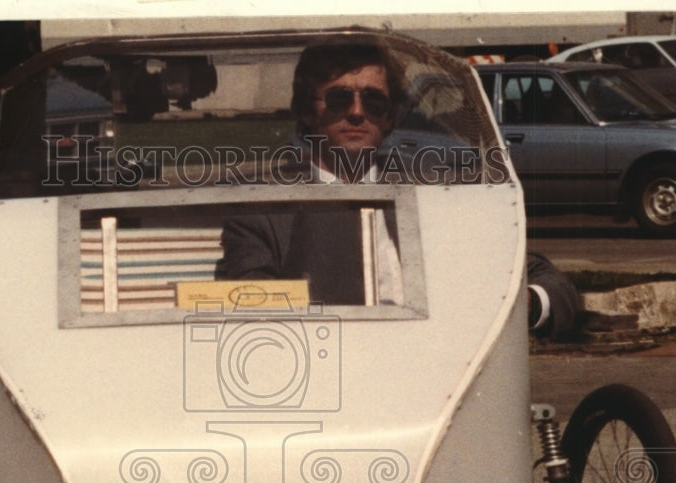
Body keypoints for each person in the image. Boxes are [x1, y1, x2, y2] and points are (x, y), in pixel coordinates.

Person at [216, 39, 579, 338]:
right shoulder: (261, 209)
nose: (357, 113)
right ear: (308, 112)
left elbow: (540, 277)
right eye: (339, 99)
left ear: (390, 117)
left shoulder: (437, 190)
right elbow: (251, 305)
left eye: (374, 102)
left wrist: (527, 305)